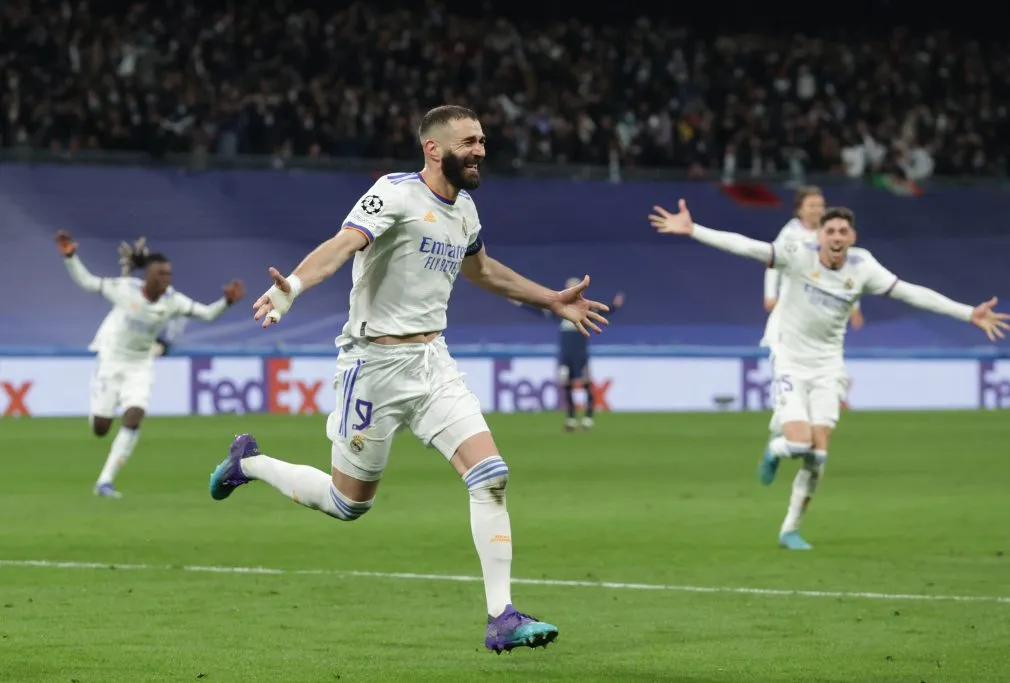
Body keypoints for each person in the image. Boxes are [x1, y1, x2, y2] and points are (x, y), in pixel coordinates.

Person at [207, 105, 610, 653]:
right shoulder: (393, 193)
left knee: (490, 474)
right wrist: (293, 286)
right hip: (372, 367)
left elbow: (484, 271)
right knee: (348, 504)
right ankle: (247, 462)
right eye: (470, 141)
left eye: (483, 140)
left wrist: (551, 300)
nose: (481, 150)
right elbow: (344, 243)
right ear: (433, 148)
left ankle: (502, 617)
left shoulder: (465, 209)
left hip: (432, 362)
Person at [649, 201, 1010, 550]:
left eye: (843, 231)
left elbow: (911, 293)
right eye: (831, 230)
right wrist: (693, 229)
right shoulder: (796, 253)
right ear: (819, 236)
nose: (837, 236)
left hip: (828, 367)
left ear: (852, 237)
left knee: (817, 457)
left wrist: (968, 314)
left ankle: (790, 528)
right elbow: (747, 247)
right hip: (790, 359)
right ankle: (775, 450)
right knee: (797, 444)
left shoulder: (863, 266)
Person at [56, 230, 245, 498]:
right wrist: (70, 257)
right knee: (101, 428)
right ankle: (99, 414)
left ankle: (105, 482)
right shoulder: (125, 289)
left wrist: (225, 302)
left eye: (168, 274)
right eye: (161, 274)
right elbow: (87, 282)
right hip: (111, 359)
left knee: (134, 417)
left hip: (140, 365)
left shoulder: (173, 301)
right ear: (148, 275)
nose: (166, 279)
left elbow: (206, 314)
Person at [762, 187, 862, 436]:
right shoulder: (791, 233)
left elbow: (849, 274)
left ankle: (828, 401)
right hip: (792, 308)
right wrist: (770, 294)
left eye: (821, 205)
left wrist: (855, 306)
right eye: (812, 205)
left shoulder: (831, 233)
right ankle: (784, 421)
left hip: (822, 310)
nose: (818, 209)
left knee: (827, 354)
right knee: (789, 364)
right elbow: (772, 262)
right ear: (799, 209)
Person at [510, 285, 625, 431]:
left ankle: (588, 418)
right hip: (566, 355)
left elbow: (603, 312)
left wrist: (614, 306)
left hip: (580, 354)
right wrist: (519, 302)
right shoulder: (560, 311)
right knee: (567, 385)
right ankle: (571, 418)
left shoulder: (585, 310)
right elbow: (539, 311)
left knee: (586, 384)